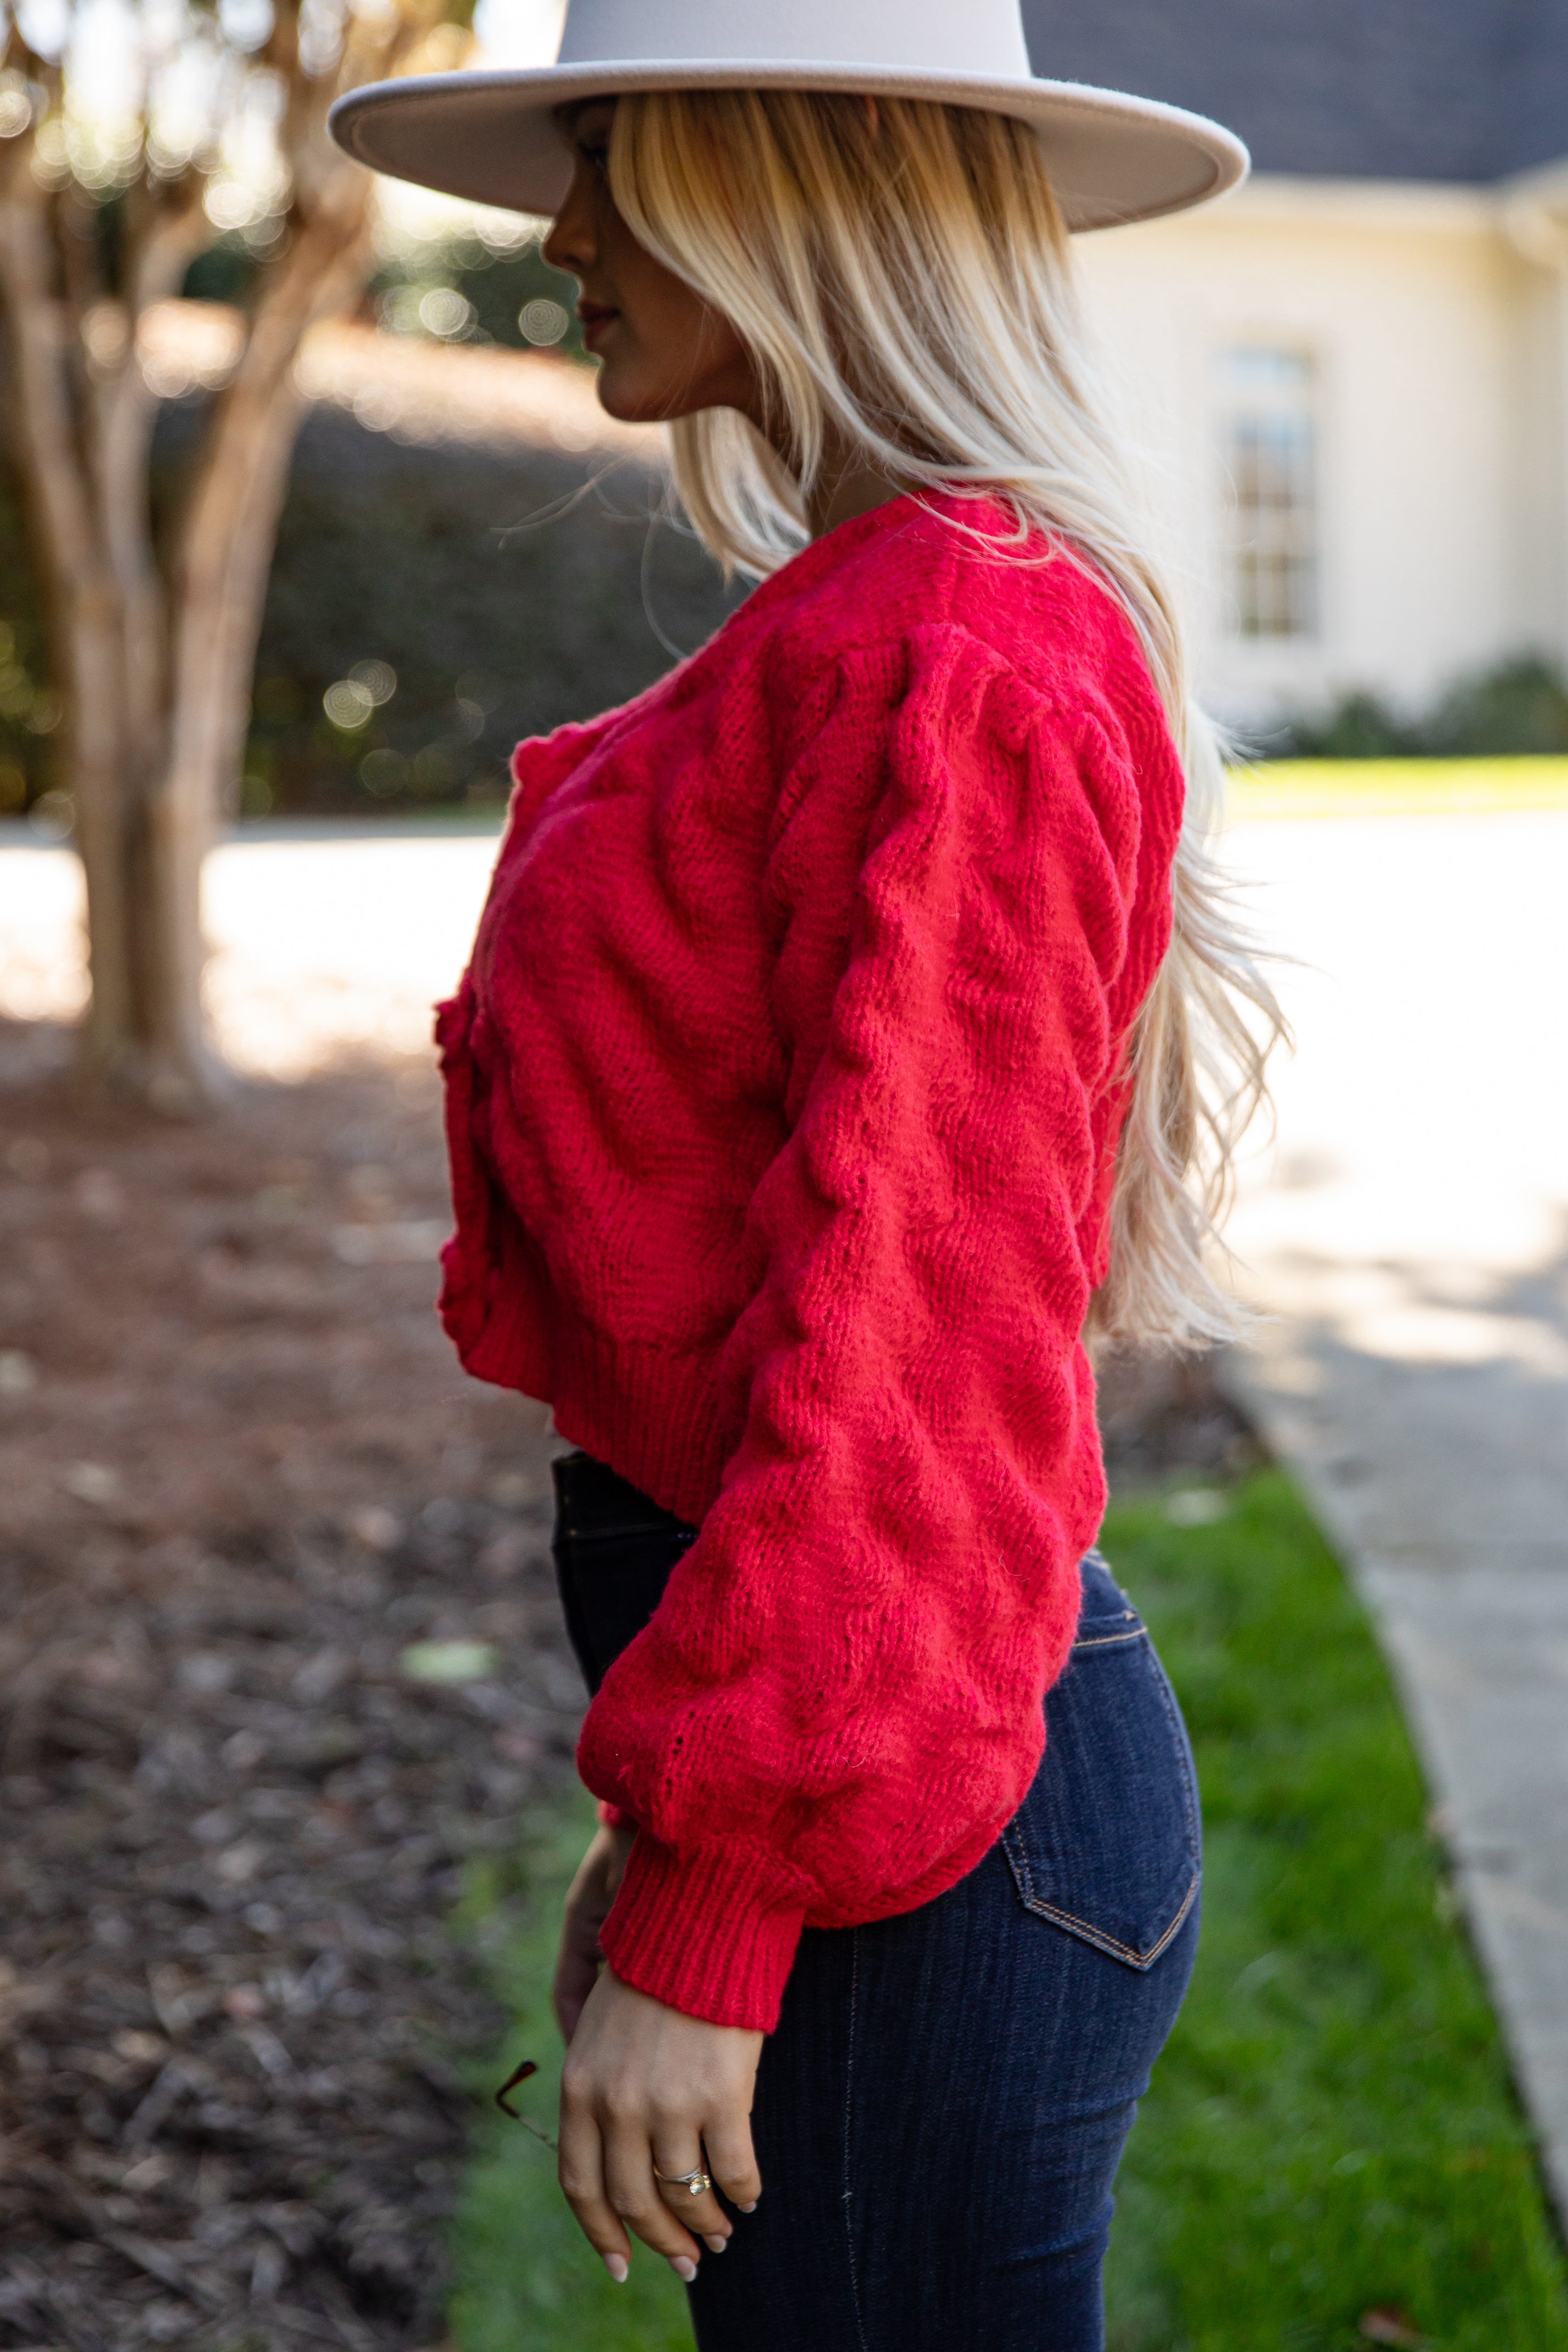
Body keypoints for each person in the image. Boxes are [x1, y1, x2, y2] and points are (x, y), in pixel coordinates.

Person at [332, 9, 1283, 2346]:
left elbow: (909, 1350)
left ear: (790, 180)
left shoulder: (950, 641)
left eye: (615, 164)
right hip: (878, 1774)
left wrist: (724, 1891)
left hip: (919, 1819)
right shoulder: (891, 612)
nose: (562, 232)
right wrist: (678, 1830)